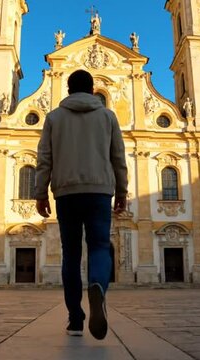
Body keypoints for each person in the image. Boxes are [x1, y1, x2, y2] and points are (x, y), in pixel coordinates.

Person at [35, 70, 128, 340]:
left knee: (71, 255)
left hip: (66, 193)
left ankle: (75, 319)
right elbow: (118, 157)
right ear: (91, 89)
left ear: (68, 89)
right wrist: (121, 190)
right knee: (99, 246)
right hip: (100, 191)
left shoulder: (54, 117)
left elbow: (44, 158)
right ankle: (98, 285)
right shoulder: (108, 116)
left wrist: (40, 193)